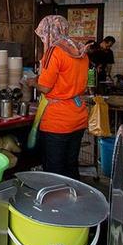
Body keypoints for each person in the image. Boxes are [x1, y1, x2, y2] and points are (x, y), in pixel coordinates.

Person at [26, 15, 90, 180]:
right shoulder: (80, 51)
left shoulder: (54, 51)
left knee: (54, 169)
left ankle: (55, 203)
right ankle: (73, 200)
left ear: (48, 33)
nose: (42, 40)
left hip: (58, 120)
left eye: (42, 36)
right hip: (78, 115)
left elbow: (46, 87)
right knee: (70, 165)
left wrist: (33, 82)